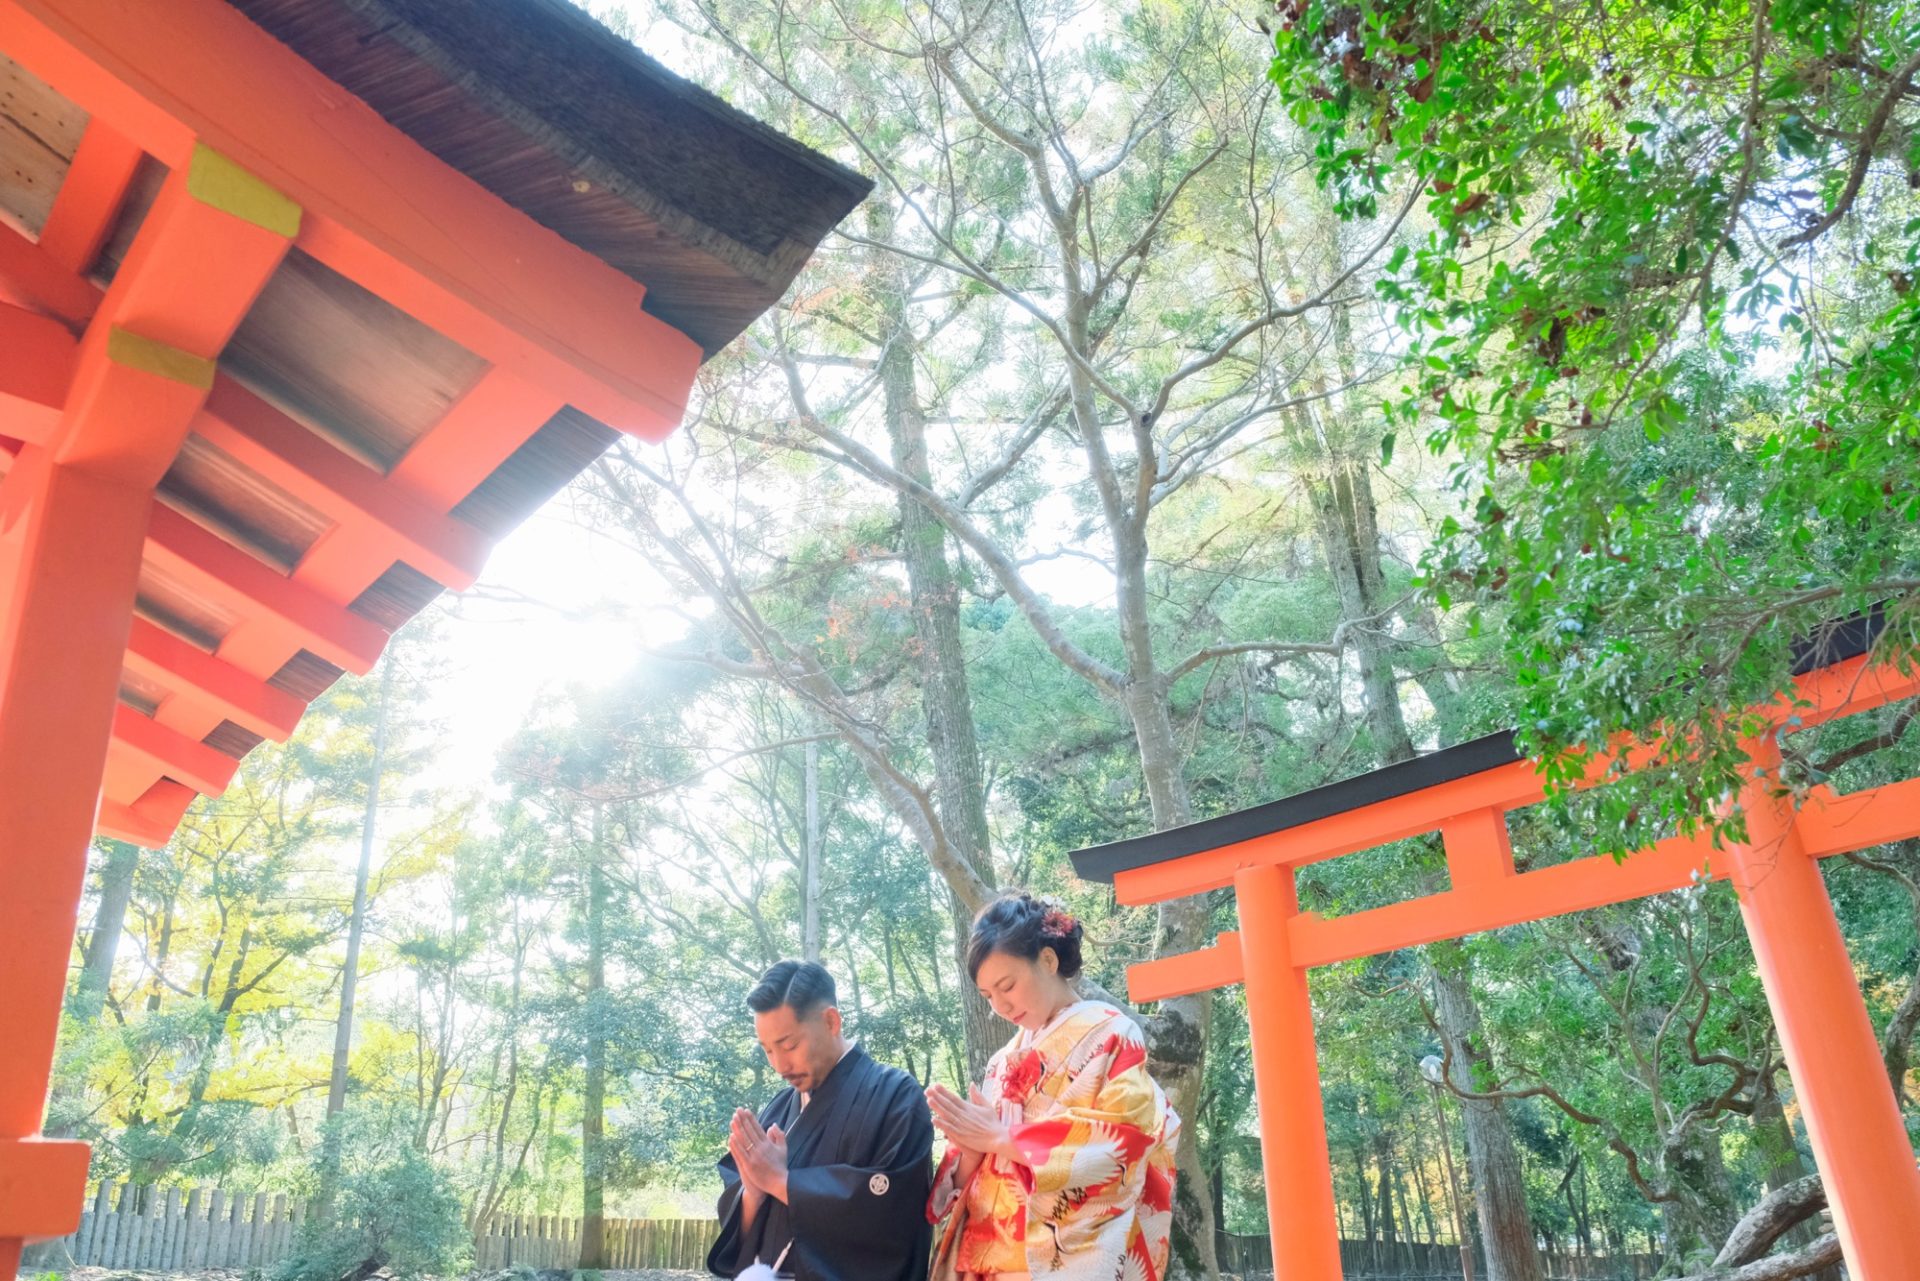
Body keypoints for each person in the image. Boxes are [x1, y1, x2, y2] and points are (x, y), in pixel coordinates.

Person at [925, 894, 1180, 1281]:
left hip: (1057, 1263)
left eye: (1007, 986)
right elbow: (970, 1179)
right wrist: (972, 1151)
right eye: (988, 996)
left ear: (1048, 960)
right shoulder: (1001, 1061)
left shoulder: (1111, 1033)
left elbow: (1124, 1140)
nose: (1001, 1007)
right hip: (981, 1263)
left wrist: (1002, 1138)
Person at [708, 959, 935, 1281]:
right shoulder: (777, 1109)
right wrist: (753, 1191)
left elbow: (894, 1213)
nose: (779, 1065)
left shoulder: (895, 1096)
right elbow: (742, 1234)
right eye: (768, 1050)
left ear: (831, 1021)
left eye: (790, 1045)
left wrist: (779, 1181)